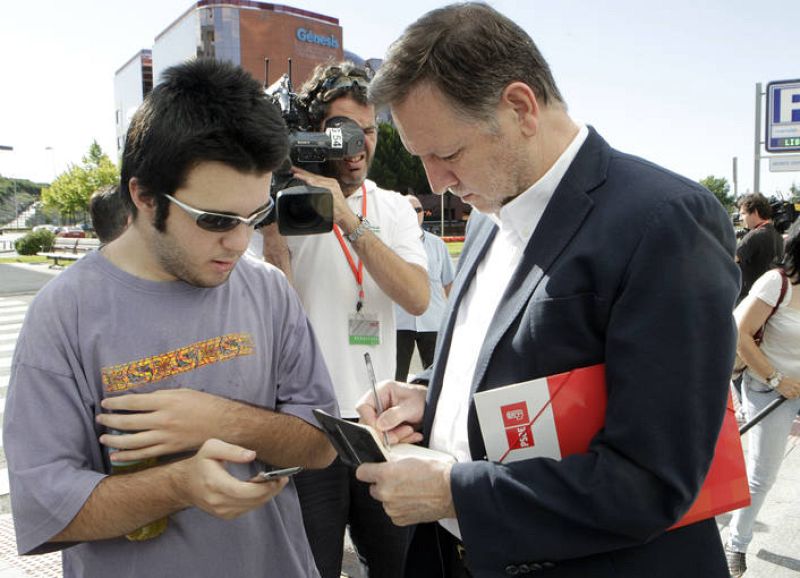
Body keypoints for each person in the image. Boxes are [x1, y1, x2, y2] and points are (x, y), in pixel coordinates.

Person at [354, 4, 740, 577]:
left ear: (519, 107)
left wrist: (457, 494)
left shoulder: (663, 221)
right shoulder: (487, 216)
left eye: (447, 154)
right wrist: (433, 398)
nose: (436, 182)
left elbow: (652, 481)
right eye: (421, 159)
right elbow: (518, 364)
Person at [2, 59, 337, 578]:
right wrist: (179, 485)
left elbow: (320, 445)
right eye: (216, 220)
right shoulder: (64, 314)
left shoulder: (268, 290)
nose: (239, 241)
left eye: (256, 216)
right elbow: (46, 511)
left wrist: (219, 420)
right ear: (143, 196)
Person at [255, 61, 429, 578]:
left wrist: (348, 219)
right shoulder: (279, 203)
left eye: (370, 130)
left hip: (380, 427)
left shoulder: (394, 207)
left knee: (395, 565)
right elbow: (275, 319)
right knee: (314, 567)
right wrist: (273, 239)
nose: (357, 147)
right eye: (341, 131)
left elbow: (417, 298)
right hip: (308, 426)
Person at [725, 220, 800, 577]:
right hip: (768, 388)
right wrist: (777, 378)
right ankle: (736, 544)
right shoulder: (777, 283)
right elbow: (739, 334)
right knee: (762, 476)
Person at [395, 195, 454, 381]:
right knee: (396, 376)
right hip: (399, 321)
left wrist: (454, 321)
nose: (414, 214)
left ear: (423, 213)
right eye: (409, 210)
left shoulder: (438, 245)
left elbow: (449, 284)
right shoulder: (388, 245)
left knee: (437, 378)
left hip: (433, 321)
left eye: (418, 210)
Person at [736, 193, 784, 305]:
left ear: (755, 212)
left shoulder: (755, 235)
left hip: (749, 298)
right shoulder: (776, 235)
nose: (740, 218)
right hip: (770, 297)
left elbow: (731, 259)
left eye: (743, 213)